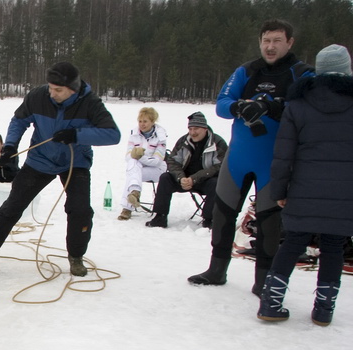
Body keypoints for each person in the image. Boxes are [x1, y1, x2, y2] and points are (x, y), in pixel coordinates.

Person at [0, 62, 121, 277]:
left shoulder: (90, 103)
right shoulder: (39, 96)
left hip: (74, 162)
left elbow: (112, 135)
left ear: (73, 88)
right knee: (11, 207)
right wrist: (12, 145)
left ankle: (76, 257)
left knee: (79, 210)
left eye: (58, 90)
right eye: (50, 87)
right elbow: (19, 120)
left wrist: (76, 135)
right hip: (40, 161)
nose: (52, 93)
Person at [188, 19, 314, 295]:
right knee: (223, 213)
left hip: (275, 160)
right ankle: (216, 269)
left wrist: (270, 106)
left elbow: (307, 106)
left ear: (289, 42)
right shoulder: (247, 71)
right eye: (266, 41)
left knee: (269, 223)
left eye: (277, 41)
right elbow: (221, 103)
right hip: (239, 156)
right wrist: (239, 107)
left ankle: (264, 279)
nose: (270, 47)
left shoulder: (301, 73)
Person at [257, 44, 353, 326]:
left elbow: (283, 154)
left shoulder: (297, 104)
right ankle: (324, 311)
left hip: (302, 188)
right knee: (334, 247)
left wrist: (279, 190)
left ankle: (270, 303)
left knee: (292, 244)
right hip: (344, 193)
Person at [145, 112, 227, 228]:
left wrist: (195, 178)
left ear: (205, 128)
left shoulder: (217, 143)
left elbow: (220, 166)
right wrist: (181, 177)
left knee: (216, 183)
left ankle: (209, 220)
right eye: (190, 129)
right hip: (184, 179)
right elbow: (172, 161)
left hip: (206, 180)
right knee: (165, 178)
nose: (193, 133)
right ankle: (160, 217)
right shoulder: (184, 140)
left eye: (196, 129)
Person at [117, 107, 167, 221]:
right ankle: (134, 193)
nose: (142, 124)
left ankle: (127, 208)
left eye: (145, 121)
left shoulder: (161, 136)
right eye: (140, 121)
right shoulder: (134, 134)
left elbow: (157, 161)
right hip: (138, 168)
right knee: (133, 167)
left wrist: (140, 157)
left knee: (132, 172)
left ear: (152, 121)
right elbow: (128, 157)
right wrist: (135, 157)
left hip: (157, 170)